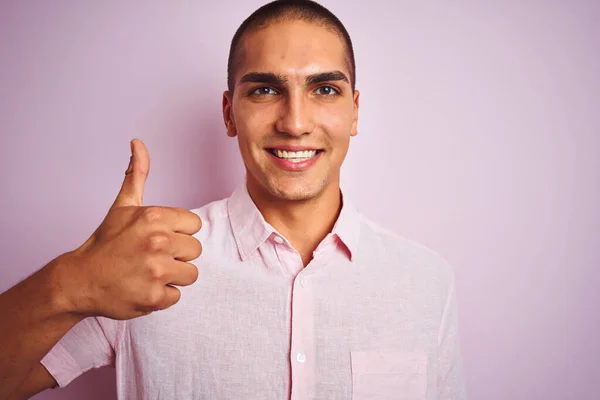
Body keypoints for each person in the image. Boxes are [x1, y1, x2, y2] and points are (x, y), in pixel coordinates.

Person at [0, 0, 466, 399]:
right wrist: (70, 280)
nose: (296, 122)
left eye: (324, 89)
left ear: (355, 111)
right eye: (265, 89)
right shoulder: (145, 262)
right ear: (229, 113)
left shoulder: (426, 282)